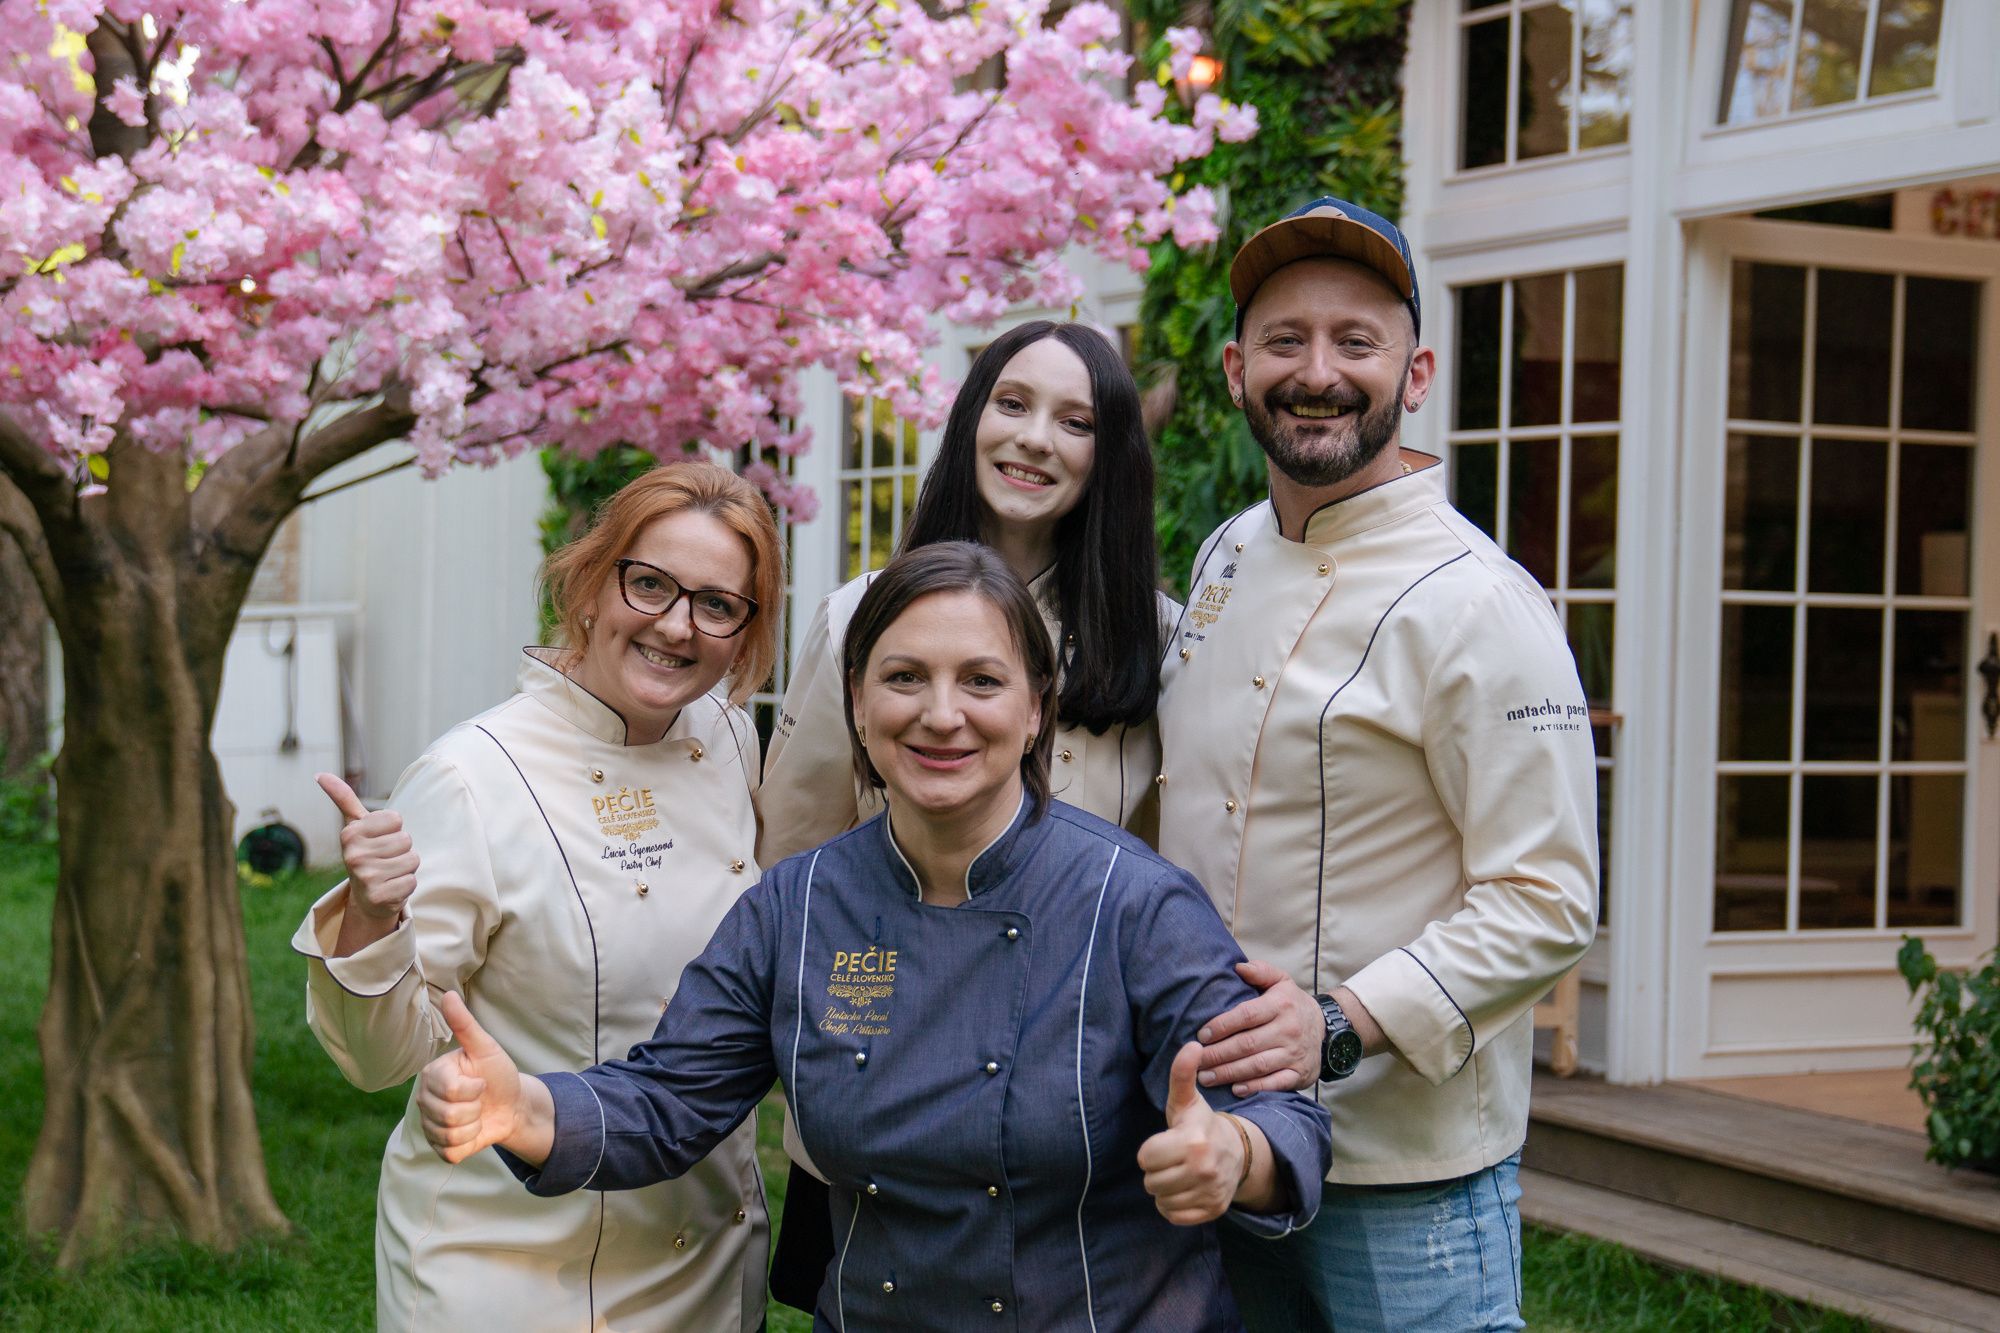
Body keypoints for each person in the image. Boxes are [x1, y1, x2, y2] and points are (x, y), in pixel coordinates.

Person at [414, 542, 1333, 1333]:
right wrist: (525, 1110)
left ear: (1035, 708)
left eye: (982, 680)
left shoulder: (1131, 900)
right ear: (857, 701)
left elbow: (1281, 1115)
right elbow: (670, 1097)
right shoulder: (799, 906)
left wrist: (1236, 1158)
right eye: (904, 677)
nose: (941, 714)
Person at [1159, 197, 1600, 1331]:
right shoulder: (1223, 554)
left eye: (1355, 342)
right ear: (1233, 368)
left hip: (1406, 1168)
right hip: (1225, 1140)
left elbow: (1548, 899)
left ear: (1414, 374)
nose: (1317, 371)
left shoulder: (1480, 604)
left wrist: (1340, 1020)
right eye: (1283, 341)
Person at [292, 461, 785, 1332]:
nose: (677, 624)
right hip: (516, 1265)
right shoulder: (472, 778)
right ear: (592, 586)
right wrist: (372, 917)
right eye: (649, 584)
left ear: (744, 633)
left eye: (717, 604)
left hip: (705, 1247)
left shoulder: (728, 737)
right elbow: (376, 1059)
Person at [755, 320, 1177, 1299]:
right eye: (1012, 403)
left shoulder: (1153, 637)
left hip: (1079, 1093)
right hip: (890, 1079)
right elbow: (796, 850)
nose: (1034, 438)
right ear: (969, 419)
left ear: (1106, 453)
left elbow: (1160, 870)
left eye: (1074, 420)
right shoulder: (859, 613)